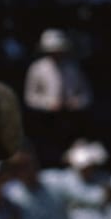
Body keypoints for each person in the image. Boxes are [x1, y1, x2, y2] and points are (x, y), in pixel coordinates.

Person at [23, 28, 93, 165]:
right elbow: (30, 97)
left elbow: (87, 94)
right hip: (46, 118)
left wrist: (76, 102)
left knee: (73, 148)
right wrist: (48, 104)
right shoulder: (37, 68)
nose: (56, 53)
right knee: (49, 150)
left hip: (72, 117)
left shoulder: (73, 67)